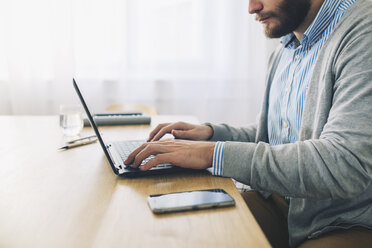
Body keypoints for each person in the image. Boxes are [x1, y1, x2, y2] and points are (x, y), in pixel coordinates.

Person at [125, 0, 372, 247]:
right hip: (285, 205)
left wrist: (213, 154)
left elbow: (345, 164)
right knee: (183, 231)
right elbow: (276, 138)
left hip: (346, 222)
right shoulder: (287, 47)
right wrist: (212, 135)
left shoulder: (362, 31)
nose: (252, 8)